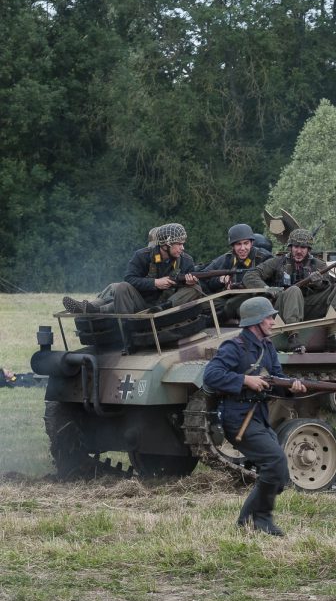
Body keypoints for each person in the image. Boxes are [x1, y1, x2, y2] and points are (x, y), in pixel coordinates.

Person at [202, 296, 305, 536]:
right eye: (269, 317)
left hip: (258, 416)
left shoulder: (267, 347)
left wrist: (291, 386)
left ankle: (246, 520)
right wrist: (244, 380)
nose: (273, 321)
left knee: (280, 475)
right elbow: (211, 375)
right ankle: (262, 519)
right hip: (237, 417)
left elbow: (277, 379)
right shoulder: (234, 347)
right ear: (256, 321)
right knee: (275, 462)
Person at [242, 228, 336, 353]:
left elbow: (327, 285)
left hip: (310, 307)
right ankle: (293, 337)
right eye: (296, 247)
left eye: (303, 247)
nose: (299, 251)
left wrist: (319, 283)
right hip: (283, 309)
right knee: (294, 290)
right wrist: (268, 289)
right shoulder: (277, 262)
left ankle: (333, 336)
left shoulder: (319, 265)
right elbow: (250, 276)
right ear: (290, 247)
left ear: (309, 249)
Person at [62, 223, 202, 314]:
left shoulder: (186, 261)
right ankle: (91, 309)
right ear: (166, 245)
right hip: (141, 300)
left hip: (166, 305)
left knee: (195, 288)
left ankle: (92, 309)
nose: (182, 248)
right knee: (119, 287)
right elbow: (129, 279)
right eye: (179, 244)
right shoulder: (142, 256)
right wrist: (155, 283)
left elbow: (191, 288)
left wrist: (190, 282)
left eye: (183, 244)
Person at [201, 223, 273, 320]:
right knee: (202, 304)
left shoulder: (264, 257)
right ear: (233, 246)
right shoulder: (227, 258)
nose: (242, 248)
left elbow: (273, 282)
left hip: (257, 299)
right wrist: (221, 280)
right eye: (238, 244)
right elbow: (206, 277)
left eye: (246, 243)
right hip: (229, 298)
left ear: (252, 243)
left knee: (237, 307)